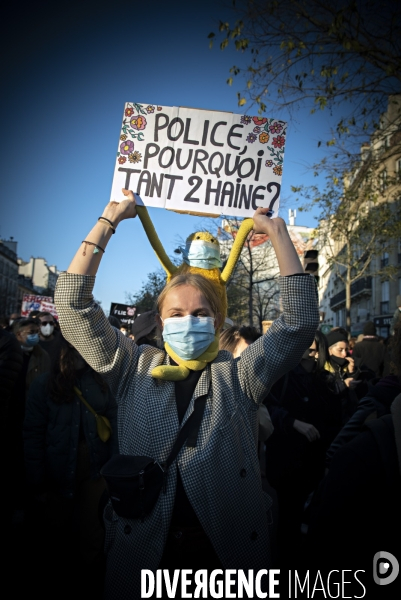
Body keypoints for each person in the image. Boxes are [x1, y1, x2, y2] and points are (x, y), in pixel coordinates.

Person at [54, 189, 319, 598]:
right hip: (143, 559)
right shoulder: (132, 366)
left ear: (217, 324)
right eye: (176, 314)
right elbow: (72, 307)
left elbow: (299, 322)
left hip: (222, 563)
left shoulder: (239, 377)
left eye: (200, 314)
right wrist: (109, 219)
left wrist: (277, 231)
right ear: (160, 324)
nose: (188, 322)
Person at [23, 338, 118, 595]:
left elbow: (116, 426)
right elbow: (32, 435)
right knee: (55, 532)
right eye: (75, 347)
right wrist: (37, 482)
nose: (81, 353)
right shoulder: (44, 384)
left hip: (96, 469)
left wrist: (114, 470)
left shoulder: (102, 382)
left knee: (93, 534)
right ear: (64, 349)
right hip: (56, 469)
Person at [264, 329, 338, 566]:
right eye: (306, 349)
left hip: (316, 463)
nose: (310, 354)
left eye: (315, 349)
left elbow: (334, 419)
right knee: (289, 520)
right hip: (288, 463)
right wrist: (293, 423)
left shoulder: (326, 379)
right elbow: (266, 409)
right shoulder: (282, 376)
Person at [219, 325, 274, 443]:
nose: (253, 364)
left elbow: (266, 429)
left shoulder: (260, 390)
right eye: (246, 357)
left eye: (259, 359)